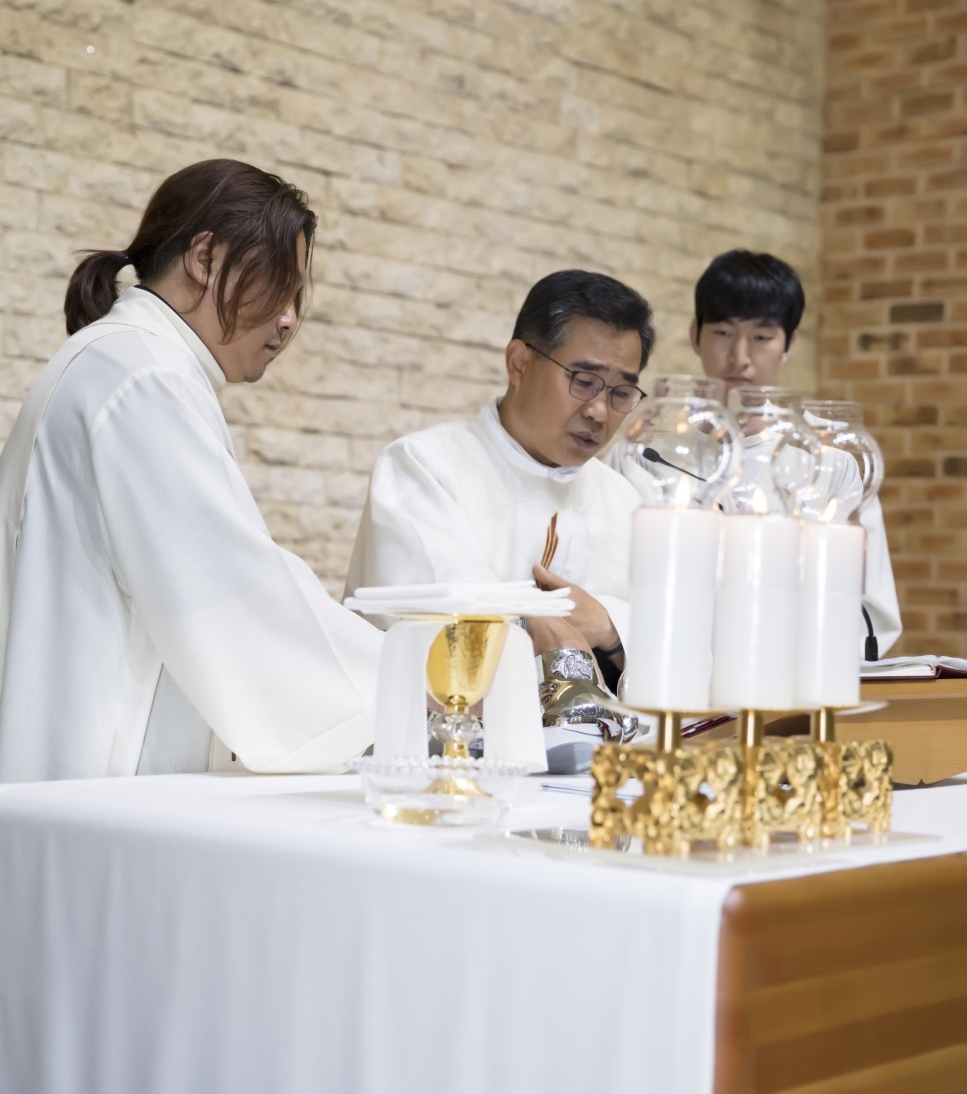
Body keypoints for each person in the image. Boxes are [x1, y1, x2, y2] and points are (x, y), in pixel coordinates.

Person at [0, 158, 381, 782]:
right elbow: (231, 584)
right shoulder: (142, 375)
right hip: (94, 784)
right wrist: (413, 680)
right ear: (205, 258)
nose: (289, 318)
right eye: (281, 285)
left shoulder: (125, 361)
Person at [345, 270, 655, 677]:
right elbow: (437, 624)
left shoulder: (628, 503)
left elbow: (676, 646)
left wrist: (610, 627)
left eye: (621, 393)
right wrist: (533, 620)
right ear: (519, 363)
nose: (599, 411)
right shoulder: (422, 467)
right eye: (583, 382)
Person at [609, 248, 902, 656]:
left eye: (762, 338)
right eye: (723, 333)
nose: (740, 357)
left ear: (789, 344)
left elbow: (870, 618)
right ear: (695, 335)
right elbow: (615, 592)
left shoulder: (830, 461)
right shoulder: (643, 457)